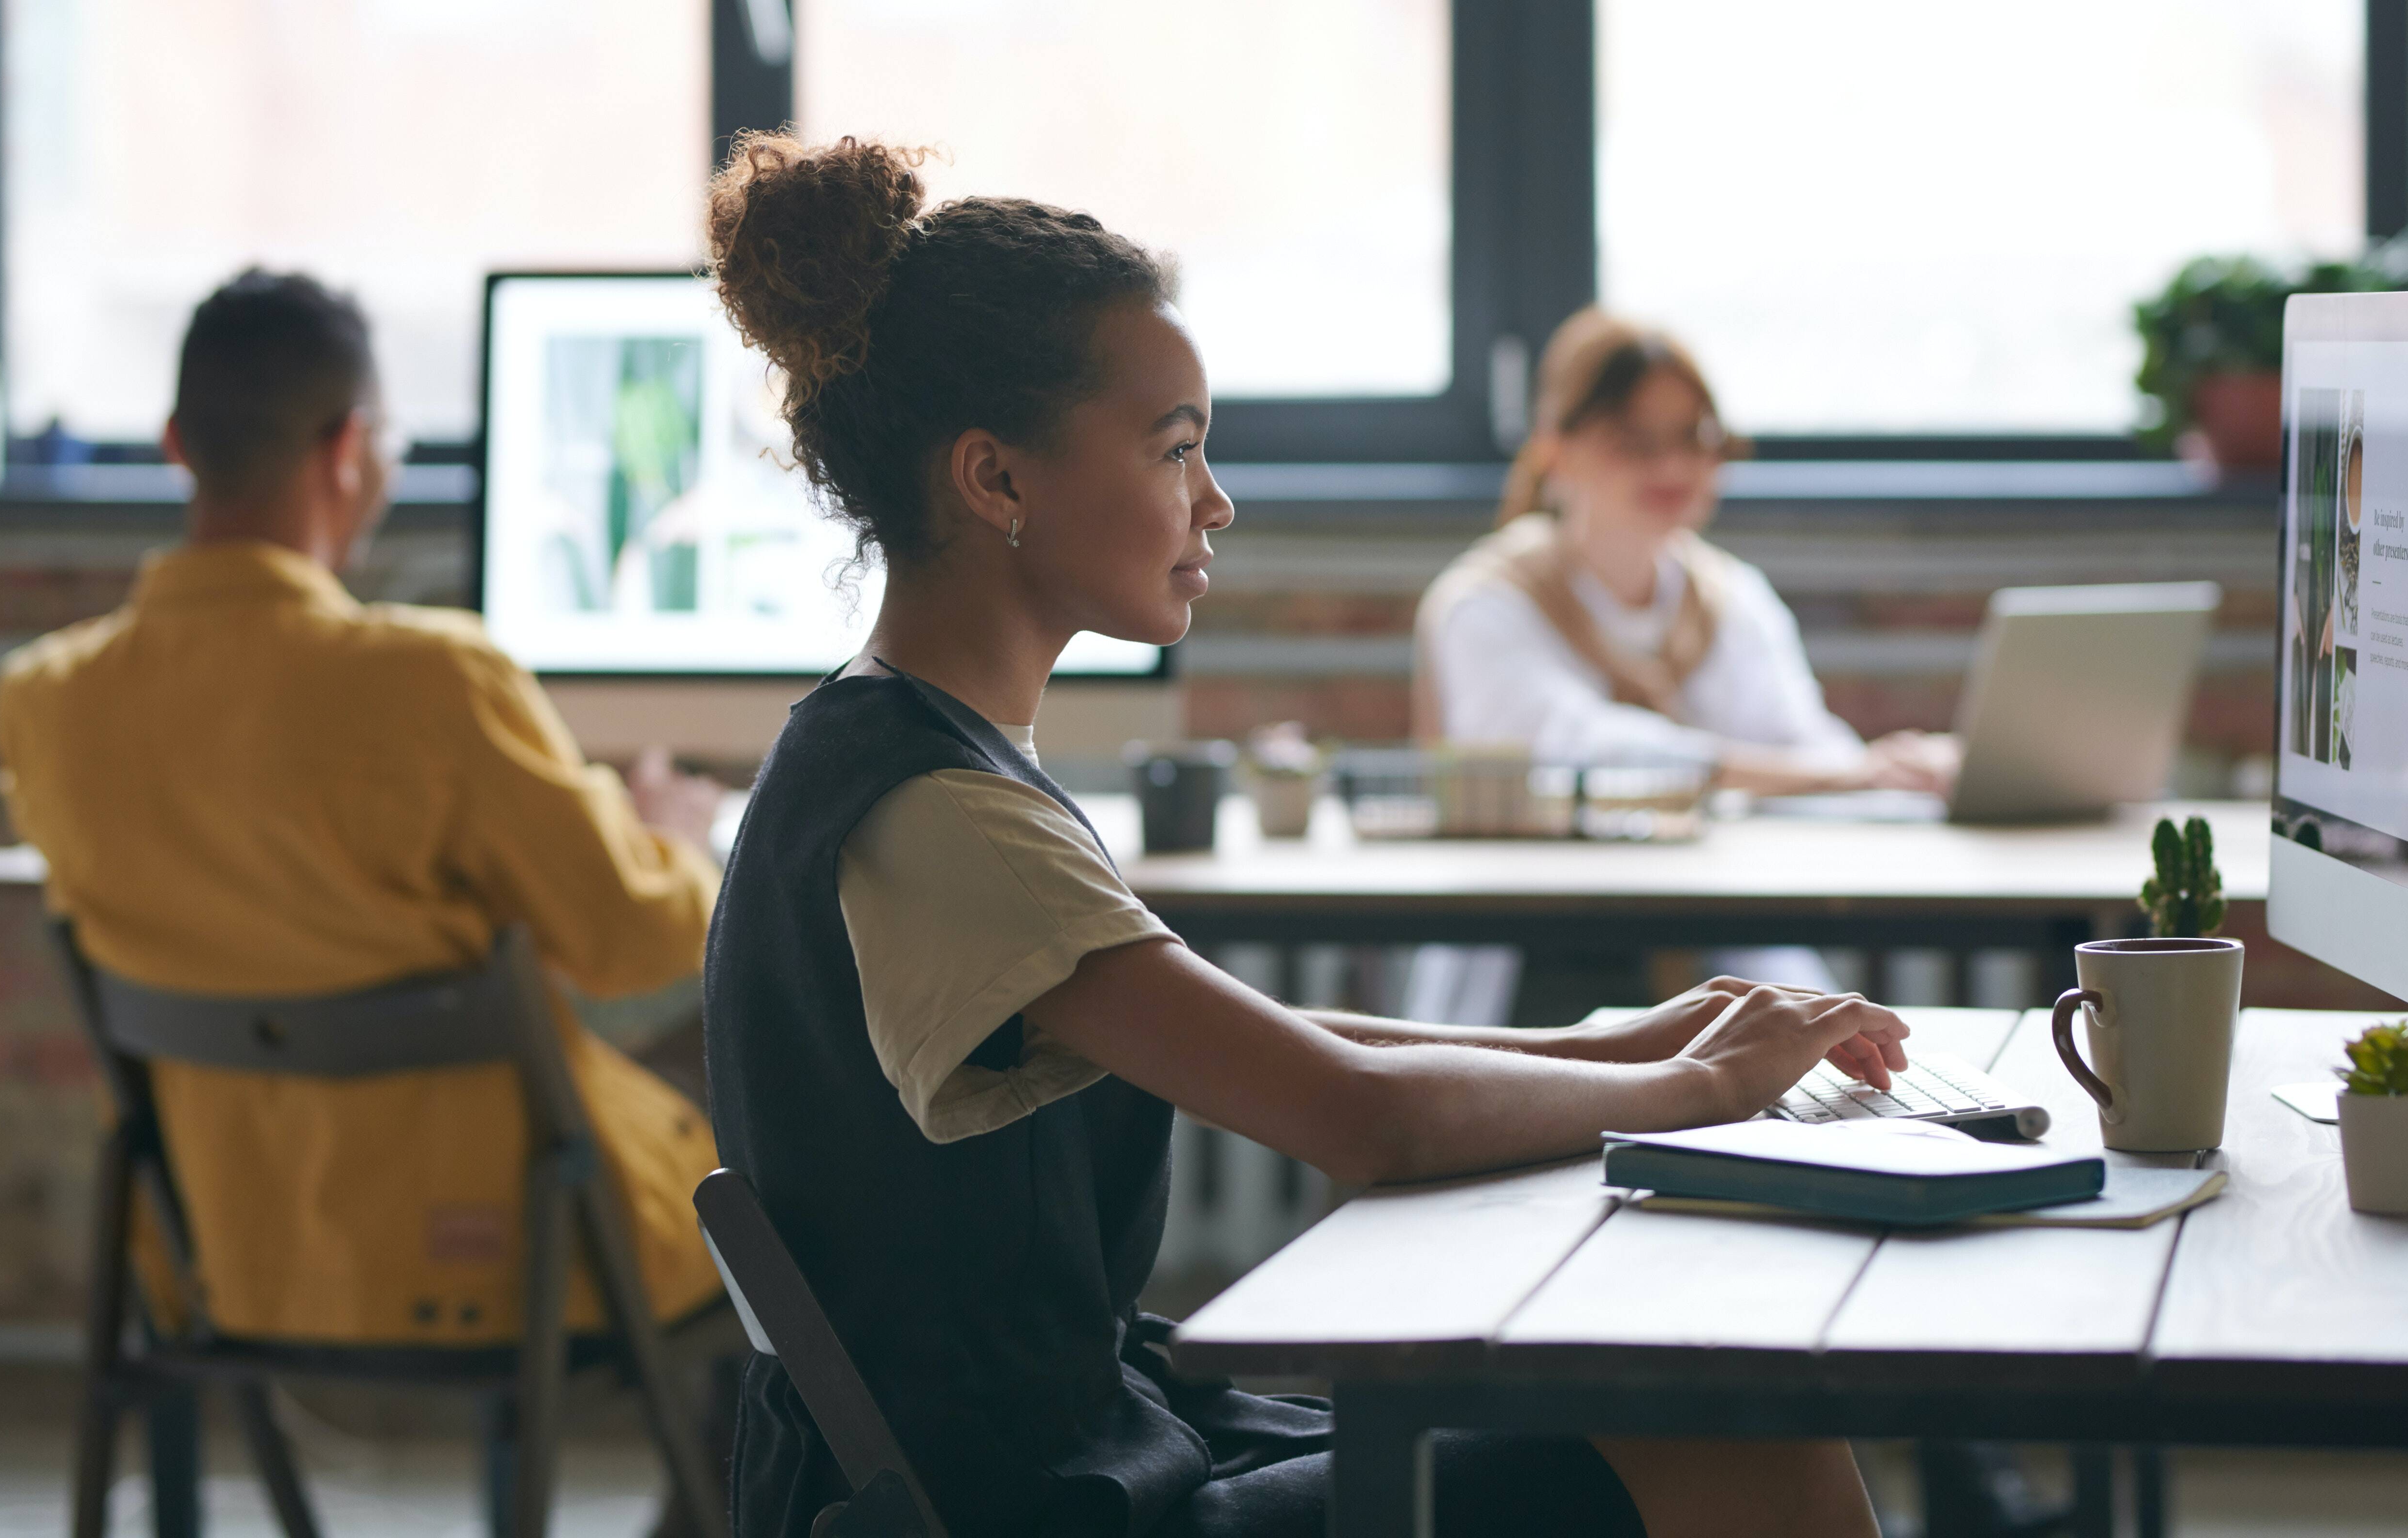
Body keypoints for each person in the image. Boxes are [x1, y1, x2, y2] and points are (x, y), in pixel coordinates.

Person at [701, 132, 1906, 1538]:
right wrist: (1696, 1092)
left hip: (1076, 1448)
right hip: (1040, 1504)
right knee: (1740, 1449)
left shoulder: (913, 754)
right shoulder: (935, 813)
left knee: (1694, 1418)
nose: (1212, 500)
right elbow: (1360, 1117)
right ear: (995, 479)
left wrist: (1635, 1039)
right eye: (1173, 449)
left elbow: (1277, 1038)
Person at [0, 271, 726, 1349]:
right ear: (348, 448)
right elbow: (630, 942)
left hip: (221, 1261)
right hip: (516, 1251)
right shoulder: (436, 682)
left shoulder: (45, 700)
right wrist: (671, 838)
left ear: (175, 444)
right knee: (785, 1186)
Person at [1420, 306, 1957, 798]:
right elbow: (1573, 755)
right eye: (1634, 439)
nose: (1673, 468)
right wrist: (1846, 773)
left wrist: (1904, 770)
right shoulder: (1487, 605)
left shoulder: (1730, 597)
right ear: (1554, 451)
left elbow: (1803, 744)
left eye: (1693, 438)